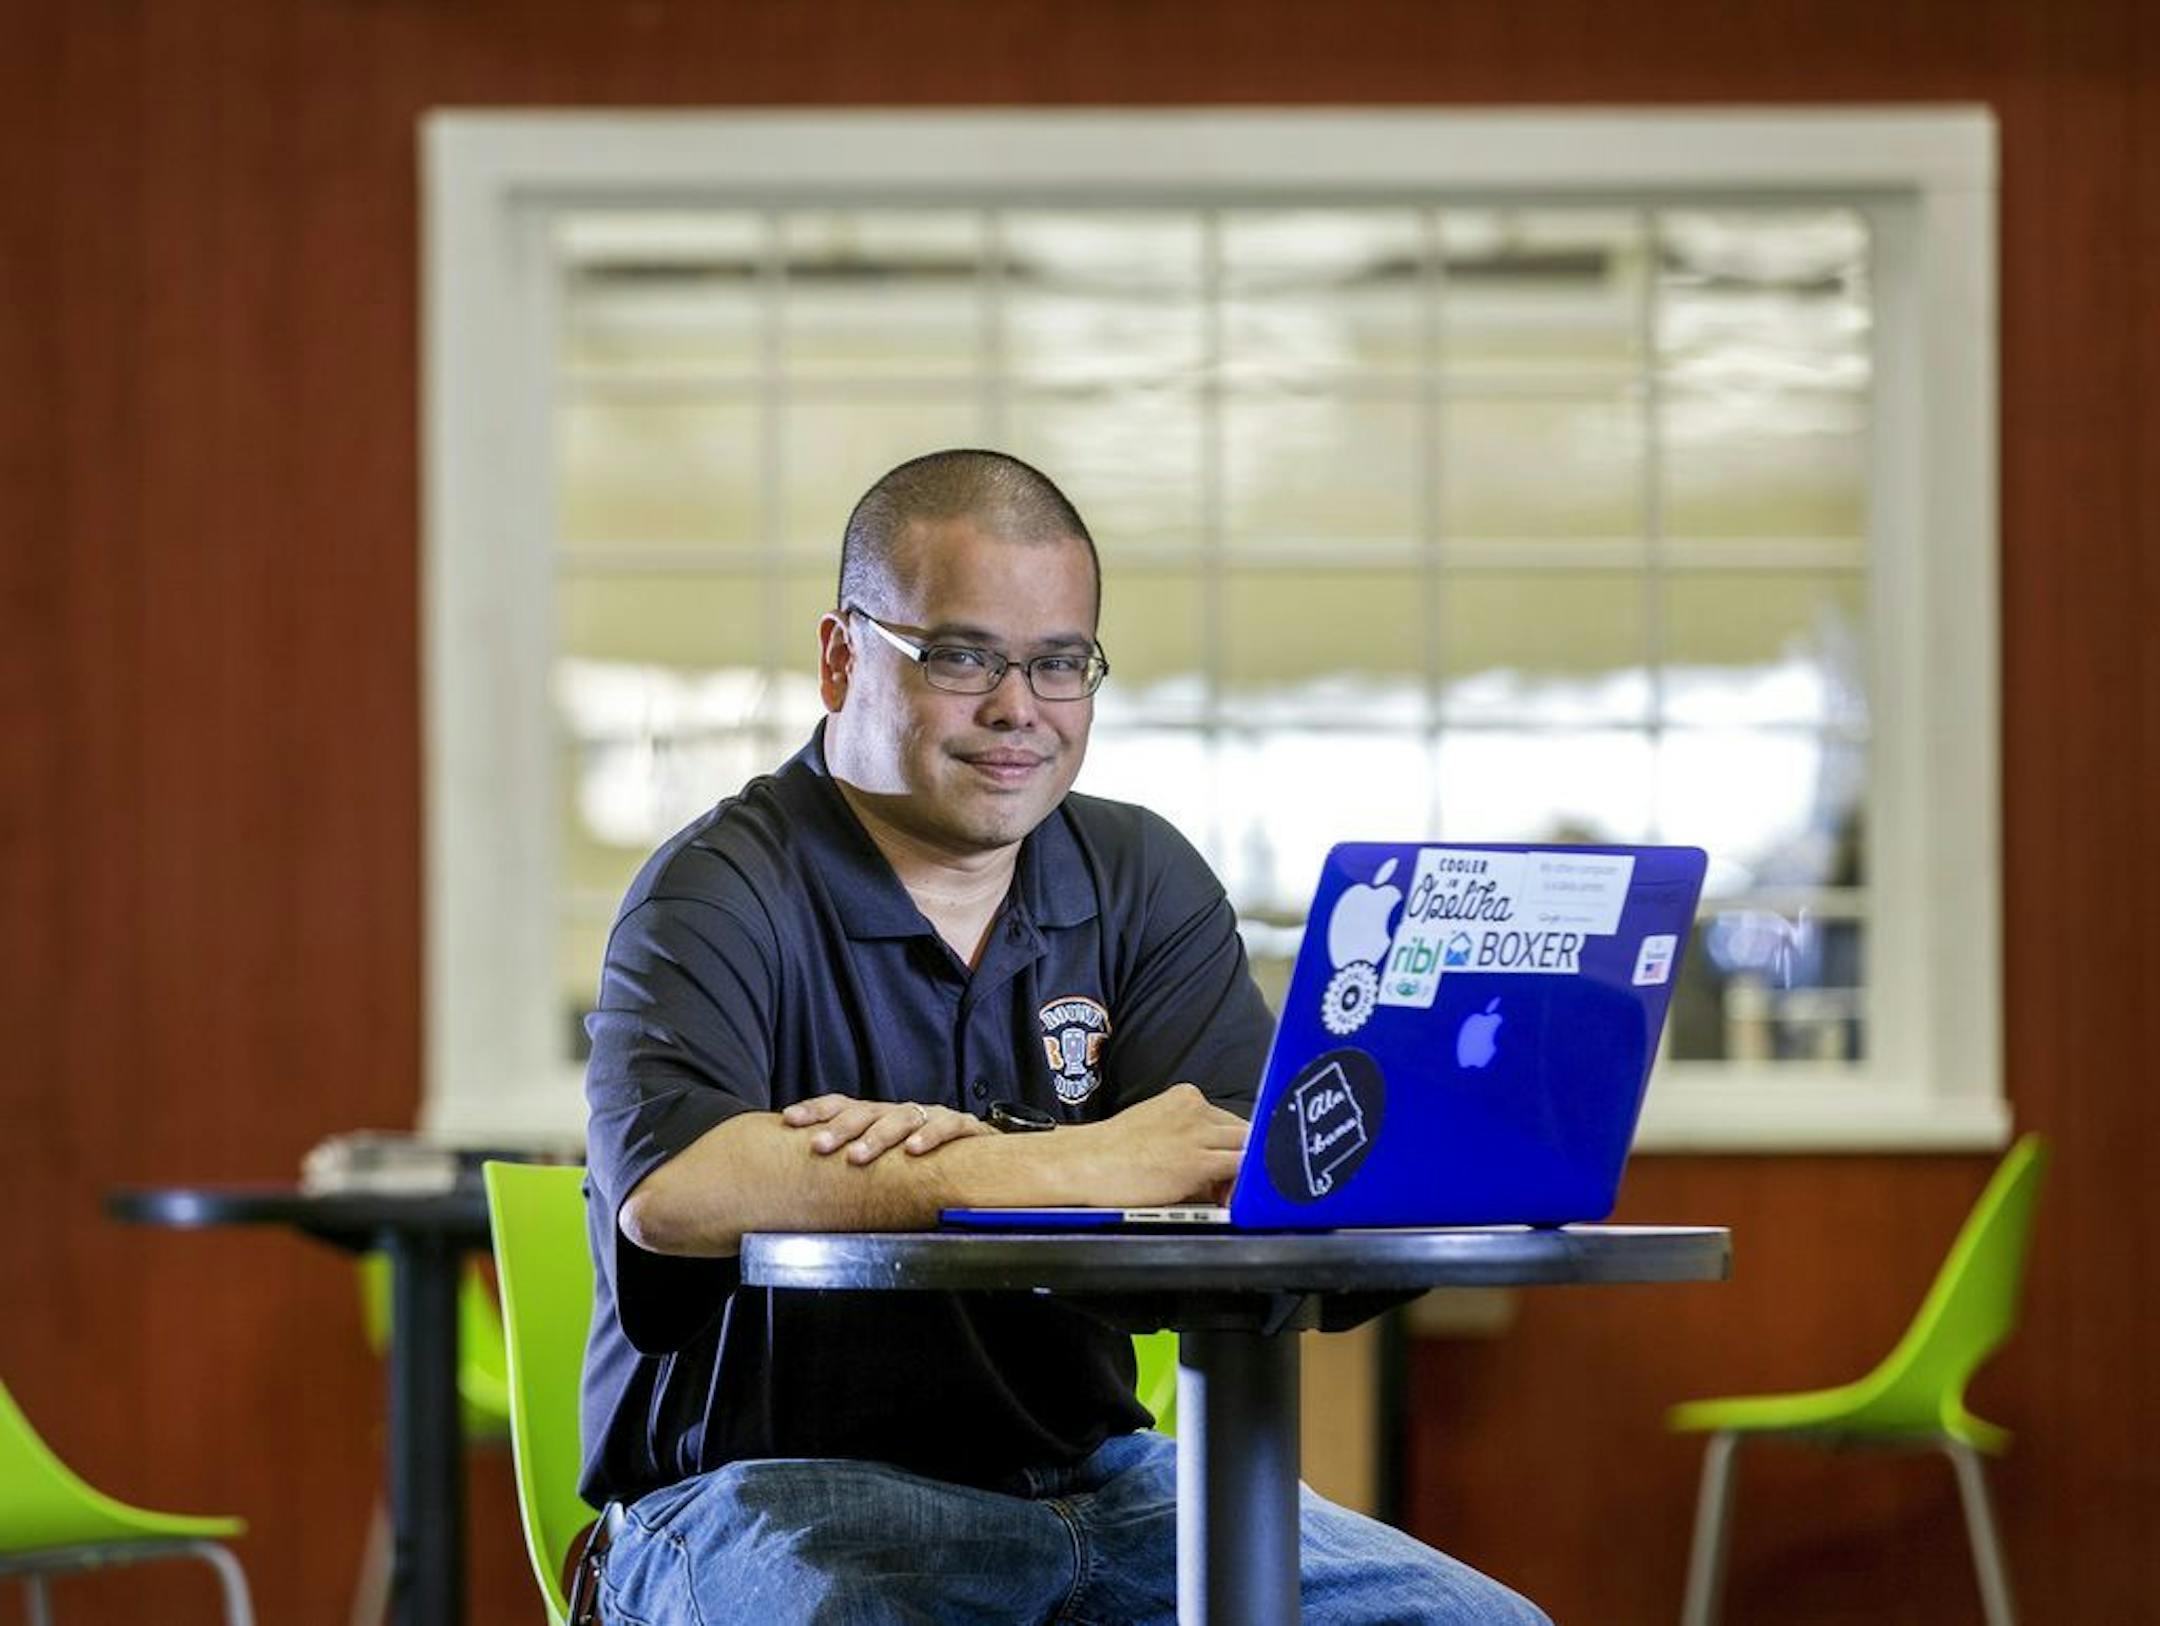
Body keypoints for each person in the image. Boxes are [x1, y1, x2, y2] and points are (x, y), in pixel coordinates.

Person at [580, 449, 1550, 1625]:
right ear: (841, 658)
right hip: (770, 1495)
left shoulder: (1140, 876)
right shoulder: (717, 886)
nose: (1016, 708)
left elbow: (1239, 1164)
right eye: (961, 655)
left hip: (1101, 1491)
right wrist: (1065, 1162)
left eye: (1058, 664)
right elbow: (679, 1190)